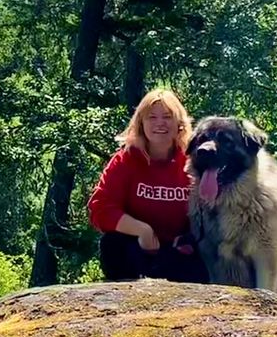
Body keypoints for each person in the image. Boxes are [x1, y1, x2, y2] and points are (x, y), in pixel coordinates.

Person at [87, 88, 207, 283]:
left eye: (167, 117)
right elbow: (100, 209)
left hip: (178, 252)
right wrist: (142, 230)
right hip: (137, 248)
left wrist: (189, 237)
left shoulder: (193, 162)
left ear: (179, 124)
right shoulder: (126, 160)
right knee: (112, 243)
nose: (160, 123)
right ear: (141, 124)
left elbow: (212, 210)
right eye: (152, 117)